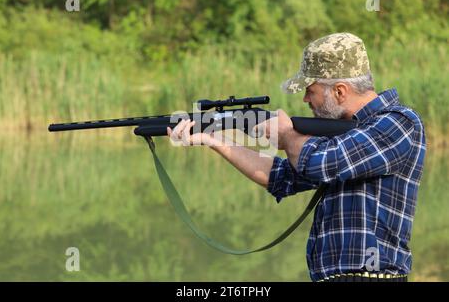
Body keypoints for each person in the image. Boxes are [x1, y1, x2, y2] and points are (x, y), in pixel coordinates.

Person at [167, 33, 426, 282]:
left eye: (310, 90)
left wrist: (287, 135)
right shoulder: (340, 137)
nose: (305, 99)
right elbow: (280, 178)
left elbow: (322, 164)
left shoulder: (399, 123)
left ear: (340, 91)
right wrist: (215, 140)